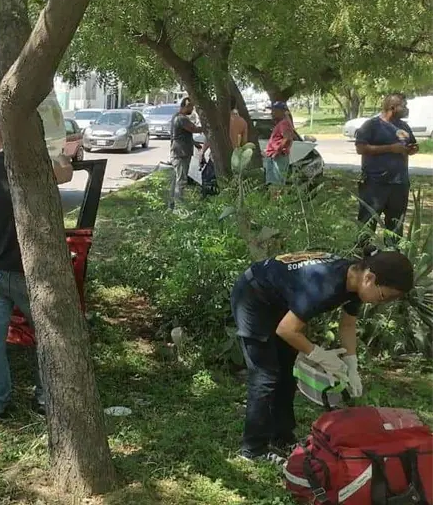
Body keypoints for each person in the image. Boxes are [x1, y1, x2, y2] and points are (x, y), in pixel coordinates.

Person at [231, 248, 414, 462]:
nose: (380, 303)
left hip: (280, 302)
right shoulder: (325, 285)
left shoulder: (354, 280)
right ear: (369, 278)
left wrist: (351, 365)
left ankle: (282, 436)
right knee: (266, 376)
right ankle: (254, 449)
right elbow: (286, 330)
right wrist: (319, 355)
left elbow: (347, 325)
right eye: (383, 296)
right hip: (253, 297)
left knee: (287, 374)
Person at [0, 111, 73, 418]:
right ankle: (45, 397)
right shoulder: (34, 165)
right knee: (46, 335)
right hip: (29, 271)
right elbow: (65, 172)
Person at [355, 92, 420, 241]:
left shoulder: (404, 126)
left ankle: (392, 259)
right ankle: (364, 260)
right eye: (404, 105)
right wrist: (390, 148)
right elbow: (361, 148)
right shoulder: (372, 125)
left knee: (395, 227)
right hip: (374, 184)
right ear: (393, 107)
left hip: (399, 184)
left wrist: (413, 149)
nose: (407, 108)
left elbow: (411, 145)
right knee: (367, 225)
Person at [168, 97, 205, 209]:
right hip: (181, 153)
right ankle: (178, 206)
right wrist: (208, 127)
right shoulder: (181, 119)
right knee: (181, 180)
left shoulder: (177, 117)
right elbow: (193, 129)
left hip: (180, 151)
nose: (192, 109)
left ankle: (172, 204)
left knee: (177, 179)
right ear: (186, 106)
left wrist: (195, 144)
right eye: (191, 107)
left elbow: (185, 134)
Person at [264, 102, 294, 187]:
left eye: (274, 111)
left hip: (278, 157)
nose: (271, 113)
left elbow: (287, 138)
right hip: (275, 156)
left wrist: (277, 151)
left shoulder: (284, 123)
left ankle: (275, 200)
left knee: (276, 184)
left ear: (280, 111)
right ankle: (274, 199)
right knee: (273, 183)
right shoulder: (282, 123)